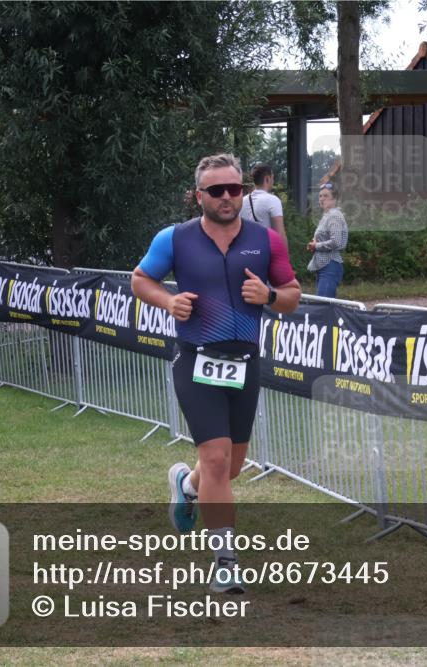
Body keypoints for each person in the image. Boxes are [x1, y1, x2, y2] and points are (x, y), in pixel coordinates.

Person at [131, 154, 300, 594]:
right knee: (217, 459)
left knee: (232, 467)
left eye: (236, 189)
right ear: (199, 195)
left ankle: (185, 485)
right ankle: (225, 562)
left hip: (244, 363)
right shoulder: (175, 239)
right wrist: (168, 302)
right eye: (218, 191)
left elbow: (292, 295)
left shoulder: (267, 242)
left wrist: (268, 295)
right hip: (196, 359)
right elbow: (140, 280)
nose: (228, 198)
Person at [306, 182, 348, 298]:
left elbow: (336, 242)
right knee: (325, 307)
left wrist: (316, 245)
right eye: (320, 196)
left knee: (322, 306)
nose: (322, 199)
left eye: (326, 196)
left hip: (330, 265)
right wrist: (314, 244)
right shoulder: (327, 215)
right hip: (324, 266)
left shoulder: (334, 215)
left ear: (334, 199)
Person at [239, 163, 286, 243]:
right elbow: (280, 234)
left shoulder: (242, 201)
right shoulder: (273, 200)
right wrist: (285, 254)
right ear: (267, 179)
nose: (273, 181)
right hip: (265, 251)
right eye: (273, 178)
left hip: (245, 251)